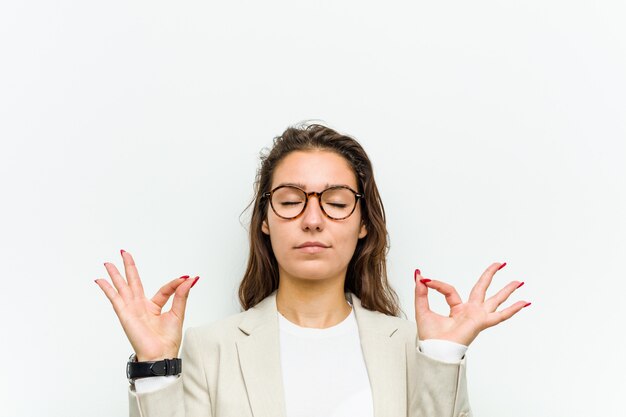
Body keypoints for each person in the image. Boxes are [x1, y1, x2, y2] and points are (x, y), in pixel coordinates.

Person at [95, 122, 530, 417]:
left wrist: (441, 357)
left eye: (337, 202)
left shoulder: (413, 348)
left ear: (363, 224)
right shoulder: (211, 349)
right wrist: (155, 368)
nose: (313, 219)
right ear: (265, 221)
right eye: (290, 200)